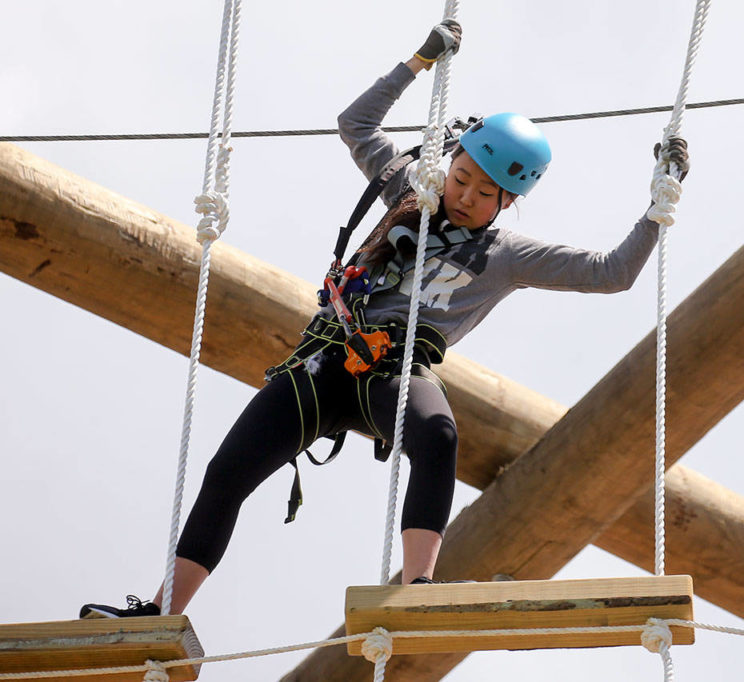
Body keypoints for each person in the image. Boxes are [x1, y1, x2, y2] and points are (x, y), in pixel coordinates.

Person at [80, 20, 689, 619]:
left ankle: (419, 587)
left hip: (393, 375)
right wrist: (418, 62)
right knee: (227, 469)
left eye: (485, 194)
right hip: (323, 361)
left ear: (508, 202)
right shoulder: (408, 184)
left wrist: (658, 208)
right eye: (462, 178)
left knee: (440, 437)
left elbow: (613, 272)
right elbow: (355, 124)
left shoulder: (505, 257)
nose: (466, 196)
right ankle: (162, 611)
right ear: (449, 162)